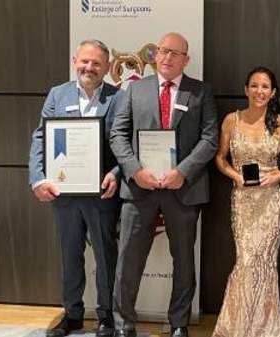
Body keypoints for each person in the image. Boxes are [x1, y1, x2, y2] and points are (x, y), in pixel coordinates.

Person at [109, 32, 218, 337]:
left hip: (183, 190)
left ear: (187, 59)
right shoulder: (134, 90)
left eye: (175, 53)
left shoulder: (201, 92)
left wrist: (182, 172)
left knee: (183, 261)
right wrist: (133, 169)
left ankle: (179, 324)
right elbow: (118, 135)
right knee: (128, 261)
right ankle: (123, 326)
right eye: (163, 51)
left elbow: (210, 139)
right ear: (155, 55)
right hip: (139, 188)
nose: (168, 57)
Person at [28, 39, 121, 337]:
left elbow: (126, 143)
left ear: (107, 67)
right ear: (74, 61)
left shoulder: (118, 97)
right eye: (84, 61)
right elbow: (40, 138)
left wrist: (117, 173)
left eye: (96, 63)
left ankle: (106, 316)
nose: (89, 68)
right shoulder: (58, 94)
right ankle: (73, 314)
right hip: (65, 193)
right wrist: (38, 178)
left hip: (101, 194)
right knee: (70, 255)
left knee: (106, 257)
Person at [212, 66, 280, 337]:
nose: (259, 91)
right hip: (243, 200)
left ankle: (264, 329)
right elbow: (220, 158)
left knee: (265, 262)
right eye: (254, 86)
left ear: (273, 92)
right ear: (246, 89)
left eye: (265, 87)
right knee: (245, 260)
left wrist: (276, 178)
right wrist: (235, 175)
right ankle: (237, 327)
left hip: (271, 201)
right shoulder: (231, 120)